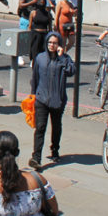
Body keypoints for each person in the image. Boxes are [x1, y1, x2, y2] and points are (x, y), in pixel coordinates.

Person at [28, 32, 76, 169]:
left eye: (54, 43)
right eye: (49, 42)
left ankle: (55, 149)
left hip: (57, 100)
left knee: (56, 126)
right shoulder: (40, 58)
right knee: (40, 128)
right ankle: (36, 157)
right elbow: (35, 77)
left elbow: (71, 71)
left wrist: (61, 58)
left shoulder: (65, 59)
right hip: (41, 99)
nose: (51, 45)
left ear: (59, 44)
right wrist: (33, 95)